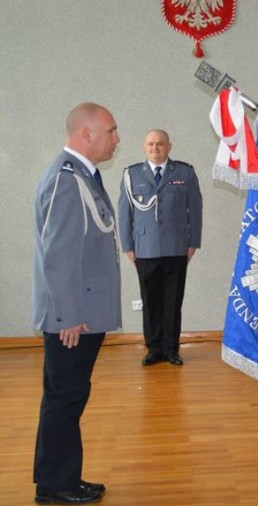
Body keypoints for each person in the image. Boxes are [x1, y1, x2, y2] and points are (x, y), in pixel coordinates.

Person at [32, 103, 121, 504]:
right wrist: (68, 315)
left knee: (69, 396)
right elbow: (58, 254)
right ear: (85, 134)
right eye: (111, 131)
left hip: (81, 312)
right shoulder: (67, 181)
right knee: (64, 398)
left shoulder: (83, 176)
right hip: (73, 318)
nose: (116, 139)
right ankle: (55, 485)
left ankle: (63, 475)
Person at [118, 129, 203, 366]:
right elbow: (125, 213)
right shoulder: (131, 175)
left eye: (160, 144)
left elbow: (195, 209)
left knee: (173, 302)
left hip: (177, 247)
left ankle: (172, 349)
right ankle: (154, 349)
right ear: (144, 147)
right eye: (150, 144)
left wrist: (193, 242)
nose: (155, 148)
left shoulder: (185, 173)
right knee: (150, 300)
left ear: (169, 146)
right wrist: (127, 245)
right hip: (144, 249)